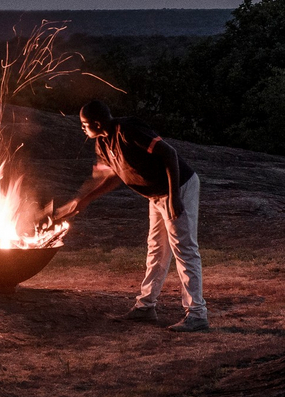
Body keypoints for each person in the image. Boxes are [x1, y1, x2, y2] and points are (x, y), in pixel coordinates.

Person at [54, 100, 209, 331]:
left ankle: (197, 314)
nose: (82, 128)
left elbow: (169, 153)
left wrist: (174, 196)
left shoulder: (128, 130)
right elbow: (112, 176)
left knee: (184, 249)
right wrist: (82, 199)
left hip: (178, 188)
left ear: (97, 122)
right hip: (156, 195)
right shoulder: (102, 143)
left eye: (85, 124)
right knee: (156, 249)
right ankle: (146, 306)